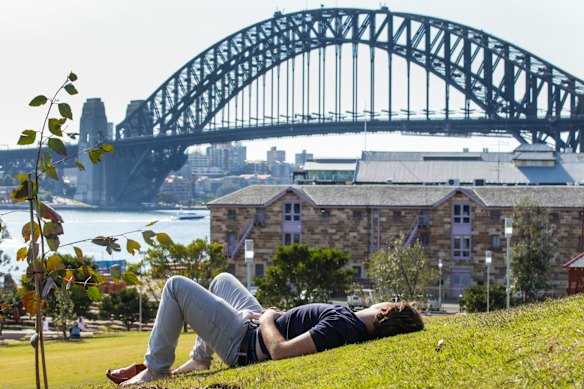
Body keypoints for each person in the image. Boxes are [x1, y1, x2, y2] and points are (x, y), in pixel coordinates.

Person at [111, 273, 424, 386]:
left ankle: (156, 368)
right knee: (221, 280)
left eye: (387, 301)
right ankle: (200, 358)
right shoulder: (349, 323)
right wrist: (283, 317)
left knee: (176, 286)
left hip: (244, 341)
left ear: (383, 310)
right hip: (253, 326)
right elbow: (304, 329)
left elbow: (279, 352)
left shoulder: (342, 325)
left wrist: (266, 321)